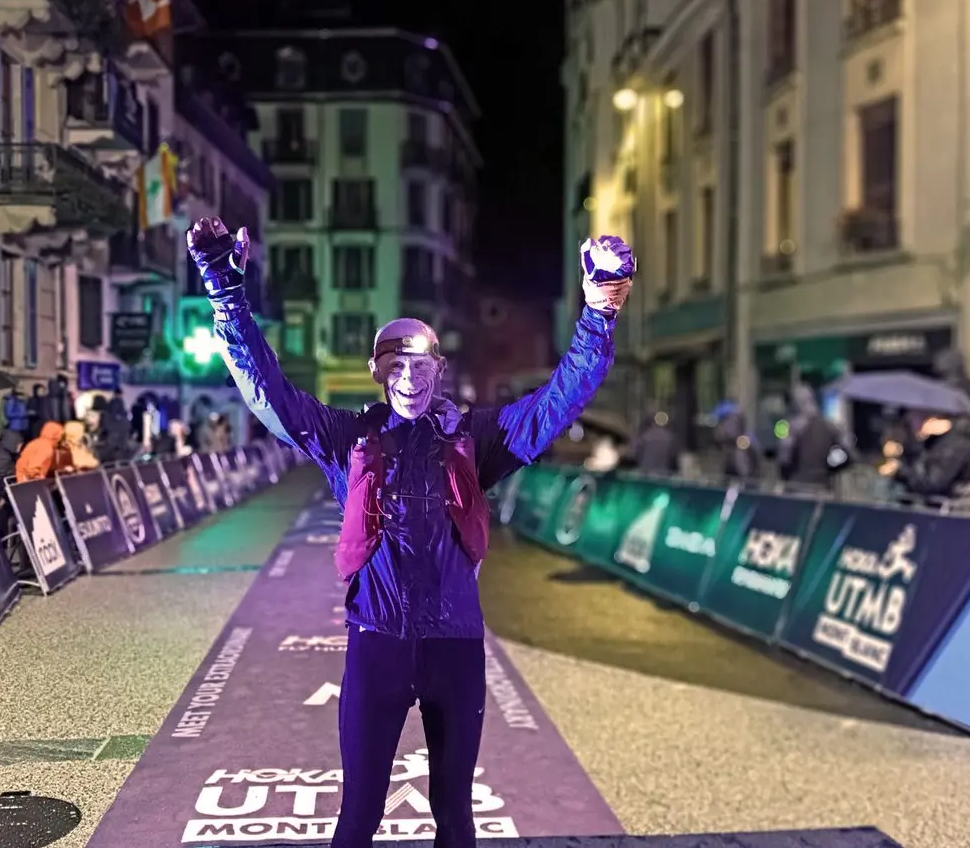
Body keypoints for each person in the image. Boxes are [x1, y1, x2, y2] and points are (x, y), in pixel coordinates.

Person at [187, 216, 631, 848]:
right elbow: (270, 395)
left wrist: (599, 311)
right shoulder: (349, 439)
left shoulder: (473, 439)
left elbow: (556, 402)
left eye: (420, 361)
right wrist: (225, 292)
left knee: (455, 815)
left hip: (456, 646)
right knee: (359, 815)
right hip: (379, 643)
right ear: (375, 368)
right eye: (395, 361)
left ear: (439, 368)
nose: (408, 375)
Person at [879, 412, 970, 501]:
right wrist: (901, 451)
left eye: (917, 418)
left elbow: (932, 482)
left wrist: (900, 471)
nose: (913, 424)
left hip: (958, 507)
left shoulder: (957, 445)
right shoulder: (934, 441)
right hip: (942, 502)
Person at [778, 383, 851, 490]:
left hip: (797, 487)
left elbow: (784, 460)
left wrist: (787, 478)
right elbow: (846, 454)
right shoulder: (828, 427)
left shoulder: (794, 428)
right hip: (822, 487)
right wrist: (830, 468)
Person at [632, 410, 678, 475]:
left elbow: (636, 453)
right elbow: (673, 457)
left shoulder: (645, 436)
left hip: (646, 472)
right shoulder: (670, 438)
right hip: (664, 473)